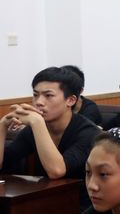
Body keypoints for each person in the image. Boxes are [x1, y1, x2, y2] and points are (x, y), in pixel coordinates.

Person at [0, 67, 98, 203]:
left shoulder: (89, 133)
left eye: (48, 96)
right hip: (45, 199)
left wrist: (37, 123)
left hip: (81, 203)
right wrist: (2, 126)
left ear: (70, 100)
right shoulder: (33, 129)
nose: (38, 102)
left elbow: (57, 171)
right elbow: (4, 162)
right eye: (35, 95)